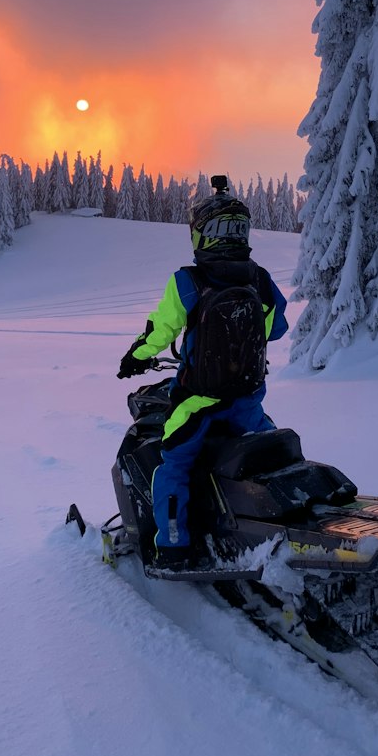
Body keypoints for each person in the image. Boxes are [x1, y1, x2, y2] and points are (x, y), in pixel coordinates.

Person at [117, 176, 288, 569]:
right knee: (271, 455)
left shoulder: (188, 281)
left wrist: (136, 358)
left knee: (171, 464)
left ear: (203, 233)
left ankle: (173, 547)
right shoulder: (259, 278)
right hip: (247, 401)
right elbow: (276, 329)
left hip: (198, 403)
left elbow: (160, 331)